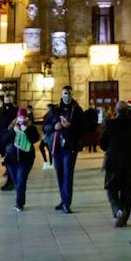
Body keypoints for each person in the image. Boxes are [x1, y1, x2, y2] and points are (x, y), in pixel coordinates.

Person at [44, 85, 87, 213]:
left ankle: (66, 203)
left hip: (70, 146)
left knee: (68, 173)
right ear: (61, 94)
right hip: (57, 146)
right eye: (65, 93)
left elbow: (83, 127)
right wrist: (54, 126)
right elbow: (45, 125)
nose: (67, 95)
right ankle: (63, 199)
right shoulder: (55, 110)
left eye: (69, 93)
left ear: (72, 94)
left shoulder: (77, 110)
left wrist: (70, 126)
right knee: (60, 174)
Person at [101, 101, 131, 227]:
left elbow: (103, 143)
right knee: (127, 191)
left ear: (116, 111)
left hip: (113, 162)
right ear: (128, 111)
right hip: (130, 162)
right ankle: (125, 218)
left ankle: (118, 210)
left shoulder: (111, 124)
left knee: (111, 188)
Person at [2, 106, 40, 212]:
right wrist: (13, 132)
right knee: (16, 181)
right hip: (11, 159)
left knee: (21, 179)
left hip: (26, 159)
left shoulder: (31, 127)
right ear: (17, 117)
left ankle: (19, 203)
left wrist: (26, 130)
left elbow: (35, 139)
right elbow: (3, 139)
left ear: (27, 118)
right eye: (20, 117)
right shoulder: (11, 126)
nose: (22, 119)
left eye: (24, 117)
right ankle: (20, 200)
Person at [0, 104, 17, 191]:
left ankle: (11, 182)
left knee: (10, 164)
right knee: (9, 163)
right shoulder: (5, 115)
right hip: (6, 142)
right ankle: (11, 181)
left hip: (9, 143)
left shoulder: (10, 117)